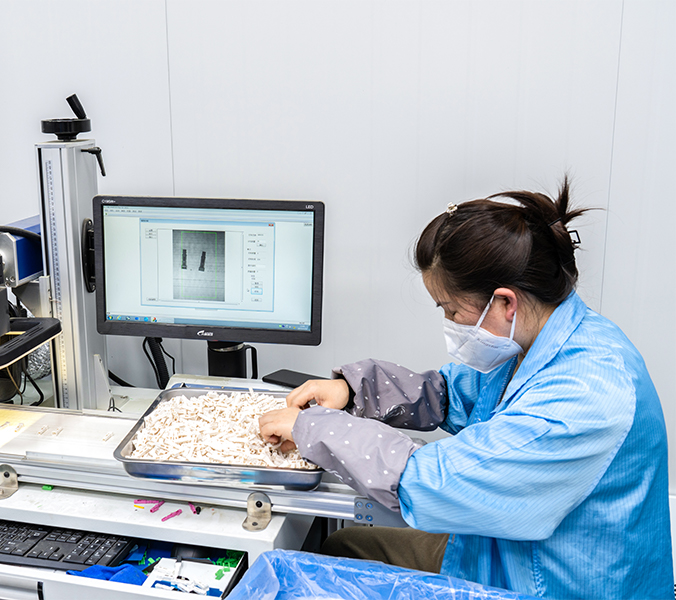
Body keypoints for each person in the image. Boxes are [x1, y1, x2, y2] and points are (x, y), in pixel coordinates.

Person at [259, 178, 672, 599]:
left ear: (505, 302)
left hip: (553, 583)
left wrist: (316, 429)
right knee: (344, 546)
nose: (450, 323)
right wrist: (354, 391)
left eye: (452, 310)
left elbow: (432, 483)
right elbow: (451, 395)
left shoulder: (588, 394)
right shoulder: (542, 339)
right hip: (507, 550)